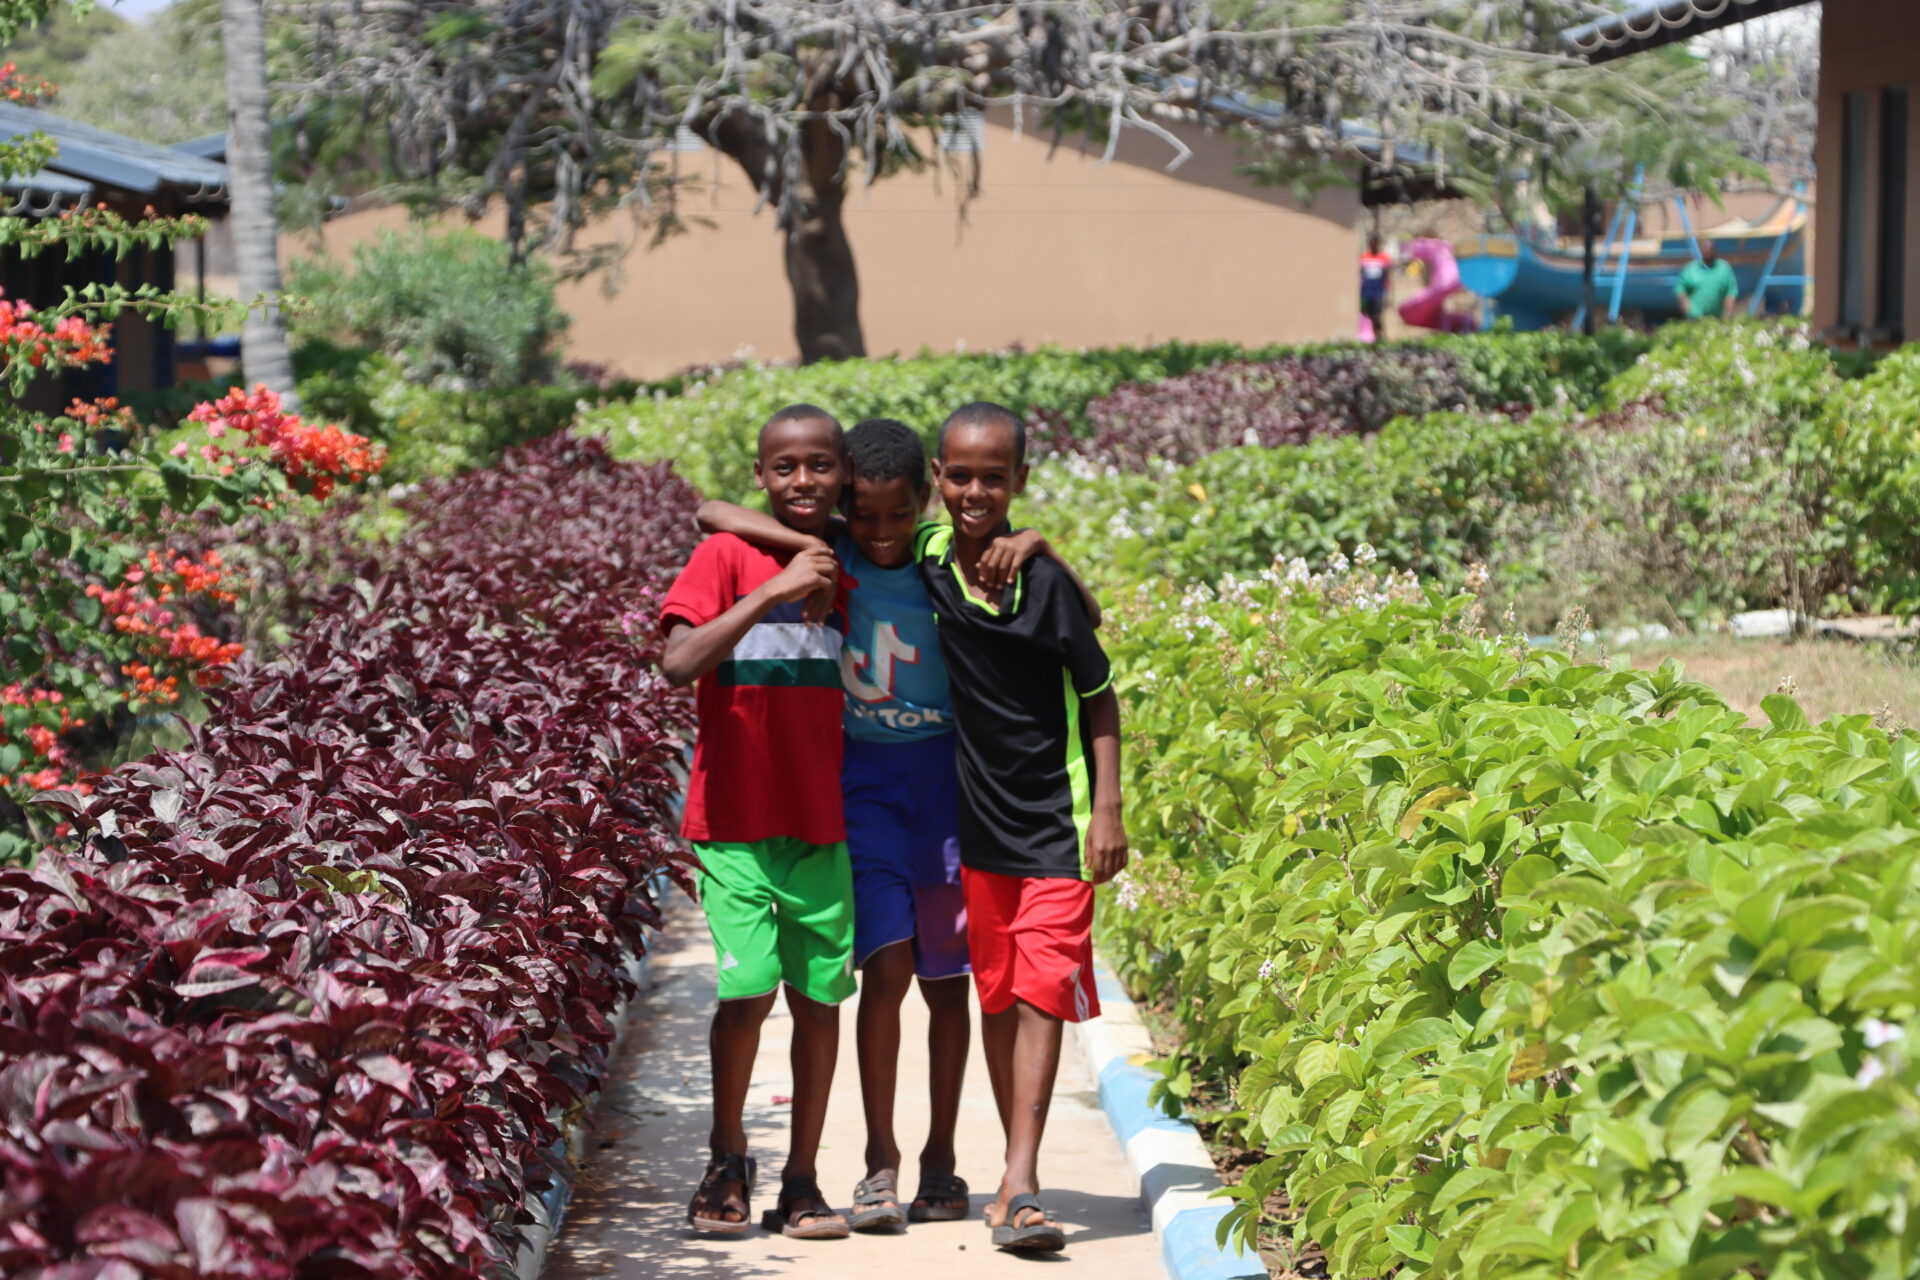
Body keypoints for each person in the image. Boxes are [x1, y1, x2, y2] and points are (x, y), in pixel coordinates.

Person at [694, 418, 1098, 1233]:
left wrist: (1043, 540)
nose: (880, 533)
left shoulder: (944, 555)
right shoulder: (830, 551)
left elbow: (1079, 622)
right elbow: (713, 510)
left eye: (897, 516)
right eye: (863, 515)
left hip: (952, 793)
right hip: (862, 794)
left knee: (946, 983)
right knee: (883, 972)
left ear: (925, 503)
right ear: (847, 504)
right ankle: (881, 1161)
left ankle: (942, 1163)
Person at [920, 401, 1128, 1255]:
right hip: (973, 826)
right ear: (938, 478)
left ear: (1020, 482)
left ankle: (1021, 1180)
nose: (975, 492)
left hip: (1052, 823)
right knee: (998, 996)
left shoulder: (1040, 584)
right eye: (960, 475)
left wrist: (1108, 809)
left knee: (1043, 990)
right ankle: (1013, 1172)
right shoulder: (928, 562)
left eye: (993, 478)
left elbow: (1098, 688)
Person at [660, 403, 856, 1242]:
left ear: (842, 473)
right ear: (760, 474)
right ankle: (726, 1157)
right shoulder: (725, 555)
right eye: (785, 467)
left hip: (820, 824)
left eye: (820, 465)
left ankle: (803, 1180)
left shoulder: (848, 556)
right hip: (734, 819)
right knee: (747, 990)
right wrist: (774, 588)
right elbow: (677, 661)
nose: (803, 481)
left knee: (818, 1004)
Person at [1677, 241, 1739, 320]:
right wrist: (1687, 308)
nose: (1708, 251)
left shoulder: (1724, 269)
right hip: (1694, 318)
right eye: (1705, 249)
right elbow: (1681, 289)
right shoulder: (1691, 269)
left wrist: (1728, 313)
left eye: (1711, 249)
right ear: (1701, 250)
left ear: (1715, 251)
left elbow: (1730, 292)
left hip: (1717, 318)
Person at [1359, 234, 1393, 343]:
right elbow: (1360, 275)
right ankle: (1376, 336)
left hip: (1378, 292)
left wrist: (1389, 295)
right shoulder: (1364, 257)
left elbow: (1387, 277)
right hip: (1366, 292)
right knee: (1369, 315)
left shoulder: (1384, 258)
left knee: (1377, 315)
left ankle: (1381, 336)